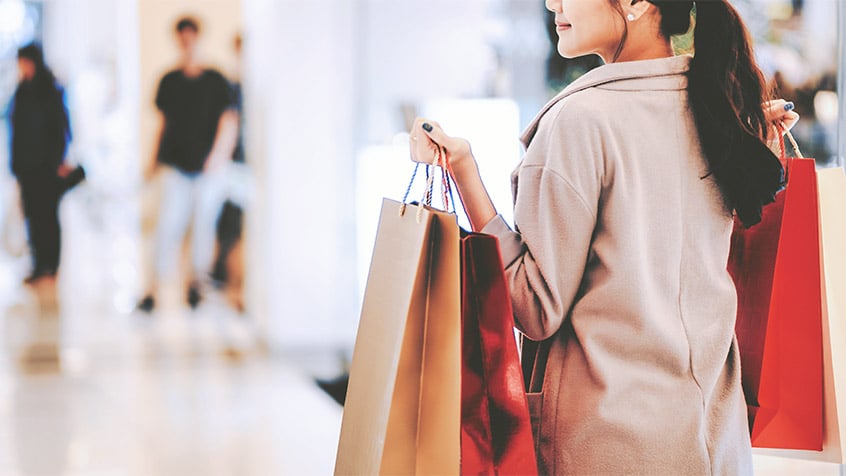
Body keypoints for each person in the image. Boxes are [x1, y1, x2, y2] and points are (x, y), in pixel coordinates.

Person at [409, 0, 799, 474]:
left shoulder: (579, 122)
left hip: (607, 446)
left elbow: (534, 307)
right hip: (717, 442)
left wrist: (466, 173)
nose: (552, 3)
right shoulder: (720, 109)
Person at [138, 17, 238, 312]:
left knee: (203, 228)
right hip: (175, 165)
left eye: (191, 37)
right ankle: (152, 287)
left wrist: (217, 157)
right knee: (168, 225)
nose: (187, 43)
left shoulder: (216, 80)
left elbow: (229, 121)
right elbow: (162, 124)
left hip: (209, 169)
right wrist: (152, 161)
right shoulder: (168, 81)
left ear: (198, 38)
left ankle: (195, 284)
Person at [8, 43, 72, 284]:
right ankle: (38, 265)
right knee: (32, 217)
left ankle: (51, 265)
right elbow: (15, 131)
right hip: (26, 168)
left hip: (47, 167)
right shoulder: (21, 92)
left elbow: (62, 128)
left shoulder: (51, 91)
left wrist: (58, 160)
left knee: (48, 217)